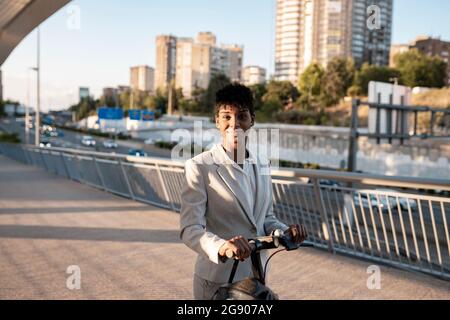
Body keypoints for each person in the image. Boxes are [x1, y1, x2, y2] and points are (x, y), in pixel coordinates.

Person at [179, 83, 308, 300]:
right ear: (217, 120)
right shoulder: (199, 166)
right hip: (216, 281)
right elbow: (189, 229)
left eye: (242, 116)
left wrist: (285, 232)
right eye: (227, 116)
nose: (234, 124)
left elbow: (266, 218)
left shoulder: (263, 164)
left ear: (252, 120)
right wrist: (222, 246)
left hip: (254, 280)